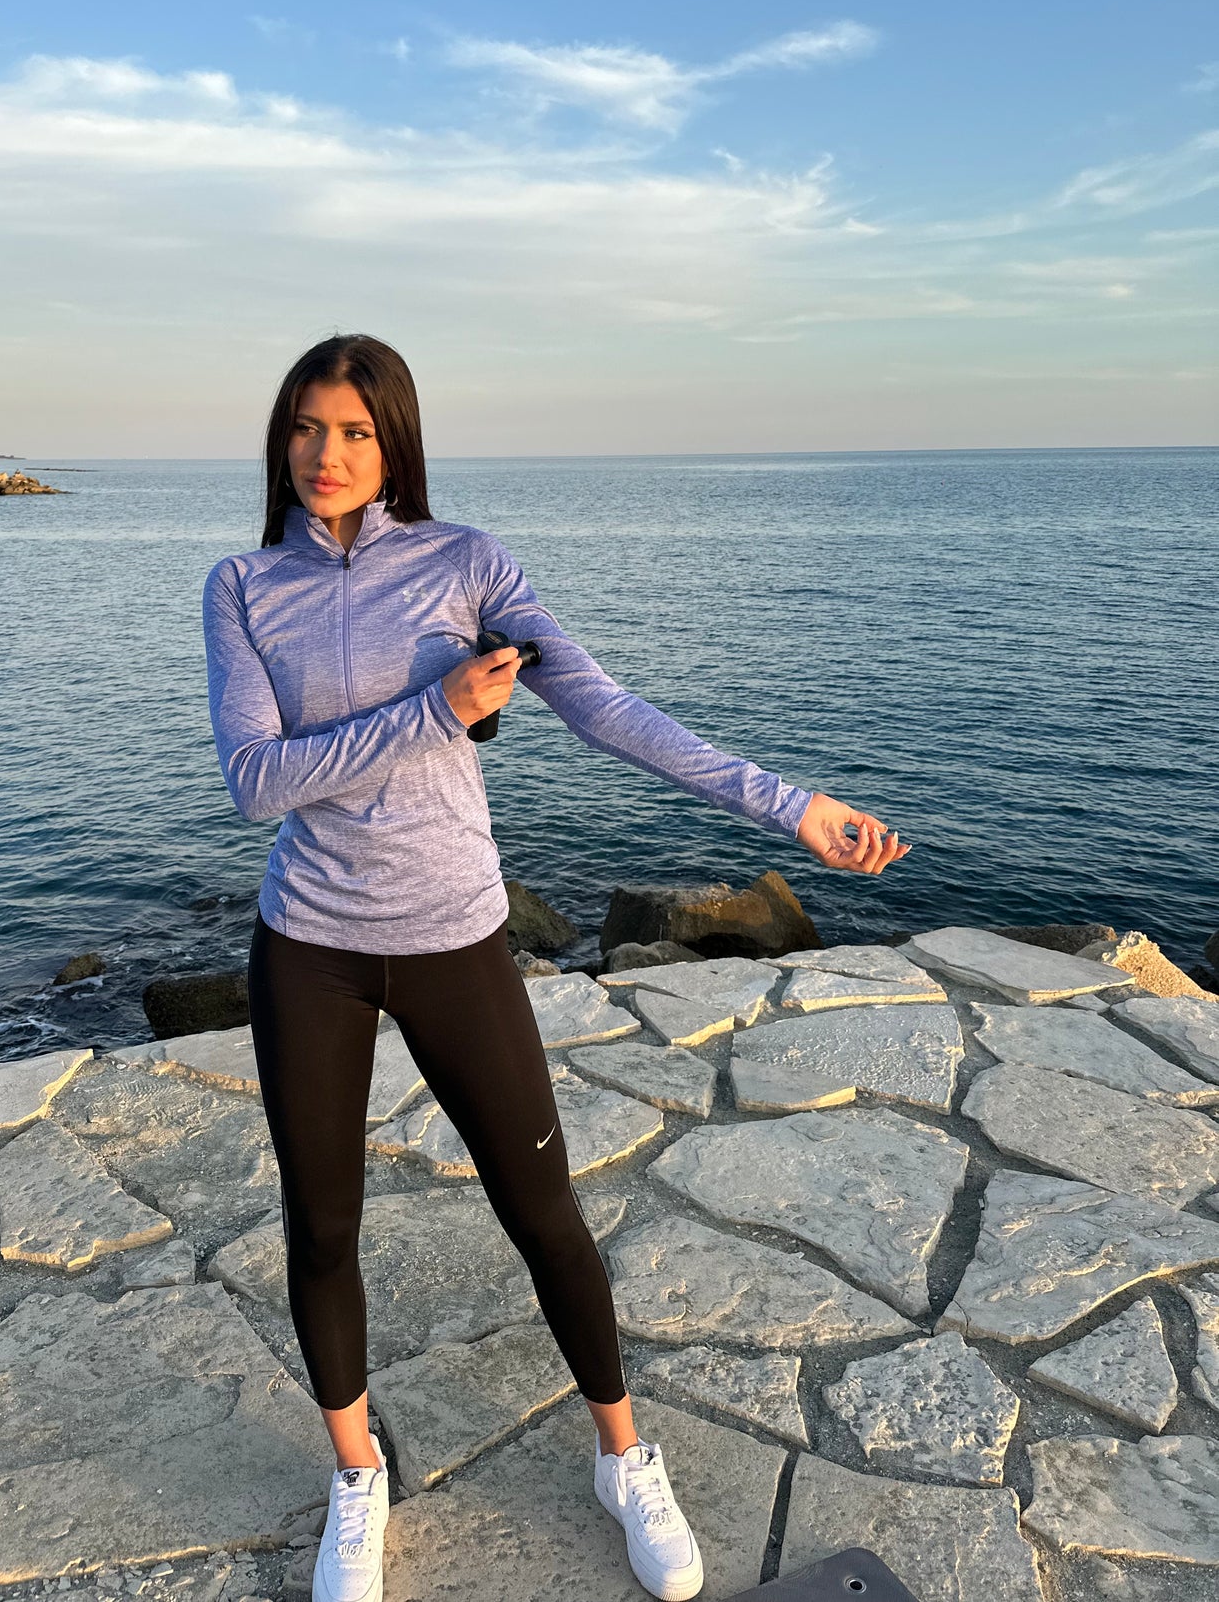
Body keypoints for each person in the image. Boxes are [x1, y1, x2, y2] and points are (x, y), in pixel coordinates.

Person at [203, 336, 908, 1602]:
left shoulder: (466, 566)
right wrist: (433, 710)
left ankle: (622, 1455)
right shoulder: (243, 586)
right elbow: (257, 782)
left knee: (543, 1216)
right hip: (309, 943)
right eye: (305, 426)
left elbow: (604, 709)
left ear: (394, 443)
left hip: (453, 937)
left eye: (354, 430)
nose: (325, 454)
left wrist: (789, 806)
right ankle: (358, 1475)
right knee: (321, 1226)